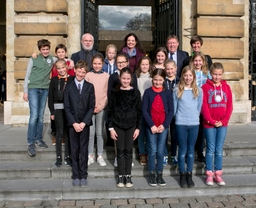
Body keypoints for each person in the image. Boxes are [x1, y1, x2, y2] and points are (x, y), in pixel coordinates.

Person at [107, 67, 142, 188]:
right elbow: (110, 111)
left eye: (128, 78)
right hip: (118, 125)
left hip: (131, 125)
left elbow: (139, 111)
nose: (126, 81)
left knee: (128, 150)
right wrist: (110, 128)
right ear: (120, 78)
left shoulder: (136, 92)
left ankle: (128, 175)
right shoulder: (115, 92)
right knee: (120, 151)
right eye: (123, 78)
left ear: (131, 79)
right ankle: (120, 175)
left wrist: (138, 128)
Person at [64, 60, 95, 187]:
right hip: (73, 125)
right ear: (75, 70)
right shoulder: (69, 87)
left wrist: (83, 123)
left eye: (83, 72)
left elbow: (91, 106)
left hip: (84, 124)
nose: (81, 74)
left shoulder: (89, 86)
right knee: (74, 150)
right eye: (79, 71)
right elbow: (66, 107)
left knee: (83, 150)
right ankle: (76, 174)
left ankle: (84, 174)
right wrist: (74, 123)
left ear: (86, 73)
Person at [23, 39, 56, 157]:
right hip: (33, 88)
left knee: (41, 116)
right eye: (43, 49)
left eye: (47, 49)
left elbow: (63, 60)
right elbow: (27, 75)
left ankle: (38, 139)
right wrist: (25, 91)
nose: (45, 51)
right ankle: (30, 142)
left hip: (45, 89)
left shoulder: (52, 59)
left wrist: (71, 61)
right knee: (34, 116)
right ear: (40, 50)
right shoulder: (33, 59)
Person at [202, 62, 233, 186]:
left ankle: (218, 174)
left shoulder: (226, 87)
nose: (217, 77)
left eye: (219, 74)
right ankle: (209, 173)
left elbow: (229, 106)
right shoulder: (205, 87)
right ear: (210, 73)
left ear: (222, 74)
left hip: (222, 124)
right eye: (215, 74)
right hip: (209, 124)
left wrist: (224, 121)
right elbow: (204, 106)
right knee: (210, 149)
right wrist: (211, 121)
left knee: (219, 149)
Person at [173, 66, 203, 188]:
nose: (188, 78)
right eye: (186, 75)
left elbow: (199, 107)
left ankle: (189, 174)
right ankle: (182, 173)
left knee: (191, 151)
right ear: (182, 76)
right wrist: (179, 118)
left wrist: (194, 117)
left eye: (190, 75)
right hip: (181, 123)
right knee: (182, 150)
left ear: (193, 77)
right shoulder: (176, 90)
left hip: (194, 123)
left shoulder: (198, 91)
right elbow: (174, 108)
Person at [143, 68, 174, 187]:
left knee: (160, 151)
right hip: (151, 126)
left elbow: (171, 111)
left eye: (160, 80)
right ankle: (151, 173)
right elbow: (145, 110)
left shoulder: (167, 93)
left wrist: (164, 125)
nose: (157, 82)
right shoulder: (148, 92)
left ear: (163, 80)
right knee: (152, 150)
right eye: (155, 80)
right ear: (152, 79)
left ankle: (159, 173)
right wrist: (151, 125)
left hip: (162, 127)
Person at [107, 52, 137, 167]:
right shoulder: (113, 77)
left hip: (129, 113)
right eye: (118, 62)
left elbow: (135, 92)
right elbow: (110, 93)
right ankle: (117, 156)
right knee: (118, 138)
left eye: (123, 62)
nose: (121, 64)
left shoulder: (132, 76)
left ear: (127, 63)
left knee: (128, 138)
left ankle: (129, 157)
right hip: (117, 112)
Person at [85, 54, 109, 167]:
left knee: (99, 132)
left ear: (103, 64)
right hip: (90, 108)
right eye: (95, 63)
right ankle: (90, 154)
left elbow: (106, 94)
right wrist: (91, 106)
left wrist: (100, 106)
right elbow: (86, 92)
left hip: (101, 108)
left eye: (99, 63)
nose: (97, 66)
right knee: (90, 132)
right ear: (91, 64)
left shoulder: (106, 76)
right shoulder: (88, 75)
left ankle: (100, 154)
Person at [48, 59, 73, 167]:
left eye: (63, 68)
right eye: (59, 68)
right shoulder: (54, 80)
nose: (61, 70)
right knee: (59, 133)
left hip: (68, 110)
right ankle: (59, 156)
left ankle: (67, 156)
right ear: (56, 69)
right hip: (58, 109)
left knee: (67, 133)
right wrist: (52, 112)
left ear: (66, 67)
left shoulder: (71, 79)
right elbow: (50, 98)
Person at [50, 44, 75, 146]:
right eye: (58, 52)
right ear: (56, 53)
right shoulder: (53, 62)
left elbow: (72, 75)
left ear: (66, 53)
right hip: (56, 89)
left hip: (66, 88)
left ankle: (65, 135)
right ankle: (55, 135)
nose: (60, 54)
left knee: (65, 115)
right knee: (55, 116)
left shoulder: (70, 63)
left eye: (62, 52)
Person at [190, 51, 211, 163]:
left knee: (202, 130)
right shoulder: (190, 72)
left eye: (199, 61)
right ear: (193, 62)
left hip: (204, 103)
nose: (197, 63)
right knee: (194, 128)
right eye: (196, 61)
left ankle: (200, 152)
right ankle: (191, 151)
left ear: (203, 62)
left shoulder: (207, 73)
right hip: (193, 102)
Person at [135, 56, 153, 166]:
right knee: (140, 131)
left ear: (150, 65)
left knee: (149, 131)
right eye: (143, 64)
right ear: (139, 66)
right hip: (140, 107)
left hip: (151, 108)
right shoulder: (136, 77)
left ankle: (149, 151)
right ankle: (142, 152)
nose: (145, 66)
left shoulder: (152, 78)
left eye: (147, 64)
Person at [164, 60, 180, 167]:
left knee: (174, 135)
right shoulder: (162, 81)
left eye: (171, 69)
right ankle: (164, 155)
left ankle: (174, 154)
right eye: (168, 69)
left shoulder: (180, 81)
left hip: (176, 112)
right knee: (164, 135)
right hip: (164, 112)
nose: (170, 71)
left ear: (176, 69)